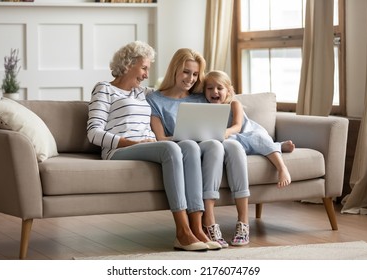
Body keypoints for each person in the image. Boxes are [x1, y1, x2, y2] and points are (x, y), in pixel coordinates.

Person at [86, 41, 221, 251]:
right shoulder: (104, 89)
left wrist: (202, 86)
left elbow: (170, 93)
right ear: (128, 64)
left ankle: (197, 227)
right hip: (120, 149)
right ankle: (182, 232)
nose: (147, 74)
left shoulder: (144, 93)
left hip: (147, 147)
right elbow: (93, 132)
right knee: (171, 148)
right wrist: (132, 142)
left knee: (189, 146)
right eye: (144, 68)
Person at [146, 48, 250, 247]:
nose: (191, 78)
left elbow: (226, 97)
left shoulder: (201, 96)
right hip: (185, 148)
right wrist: (185, 136)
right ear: (174, 70)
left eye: (195, 74)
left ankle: (240, 222)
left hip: (211, 143)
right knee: (207, 146)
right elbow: (161, 137)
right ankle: (208, 223)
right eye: (186, 72)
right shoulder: (155, 100)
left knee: (228, 147)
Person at [203, 70, 295, 188]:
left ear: (228, 91)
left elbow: (237, 126)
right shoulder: (205, 108)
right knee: (229, 145)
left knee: (257, 139)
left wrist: (226, 132)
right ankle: (278, 146)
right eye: (209, 88)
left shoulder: (234, 104)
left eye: (219, 88)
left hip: (247, 132)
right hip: (232, 139)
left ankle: (282, 168)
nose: (214, 91)